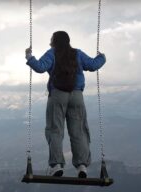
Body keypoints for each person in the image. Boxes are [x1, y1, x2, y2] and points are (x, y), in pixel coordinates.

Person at [25, 31, 106, 178]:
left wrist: (29, 56)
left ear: (53, 41)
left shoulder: (52, 53)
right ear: (68, 41)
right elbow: (93, 65)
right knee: (79, 131)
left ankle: (56, 165)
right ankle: (82, 165)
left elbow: (40, 67)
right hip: (77, 96)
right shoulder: (77, 53)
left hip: (58, 95)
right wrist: (102, 57)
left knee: (55, 129)